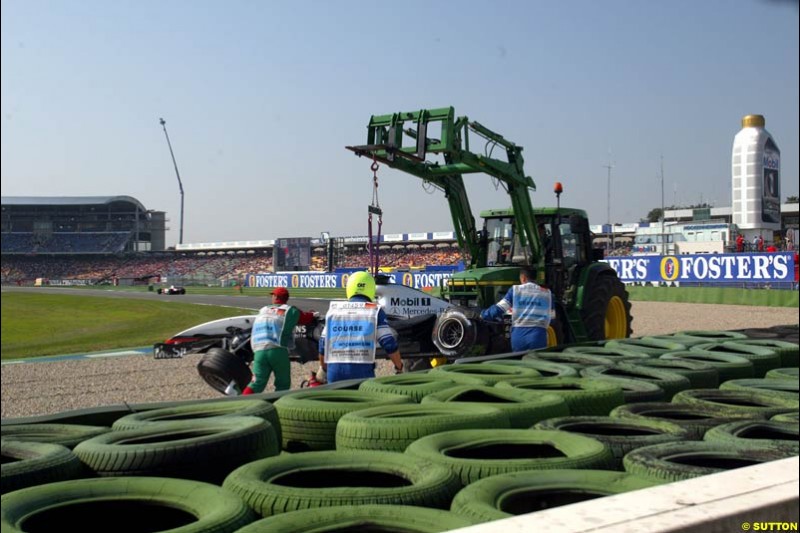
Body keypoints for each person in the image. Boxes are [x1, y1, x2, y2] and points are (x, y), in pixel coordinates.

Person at [317, 271, 403, 383]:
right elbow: (388, 342)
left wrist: (324, 369)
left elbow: (322, 345)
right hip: (362, 374)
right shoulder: (374, 310)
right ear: (371, 288)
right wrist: (399, 367)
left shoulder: (334, 310)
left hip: (335, 374)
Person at [241, 287, 316, 394]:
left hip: (258, 350)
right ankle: (278, 406)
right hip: (277, 350)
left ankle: (242, 404)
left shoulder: (263, 309)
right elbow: (306, 318)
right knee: (283, 384)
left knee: (256, 383)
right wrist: (313, 314)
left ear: (275, 297)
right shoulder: (290, 310)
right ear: (286, 298)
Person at [480, 266, 553, 352]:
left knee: (518, 363)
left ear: (523, 278)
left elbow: (499, 309)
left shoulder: (515, 290)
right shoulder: (547, 293)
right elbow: (552, 316)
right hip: (538, 336)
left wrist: (482, 315)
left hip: (519, 336)